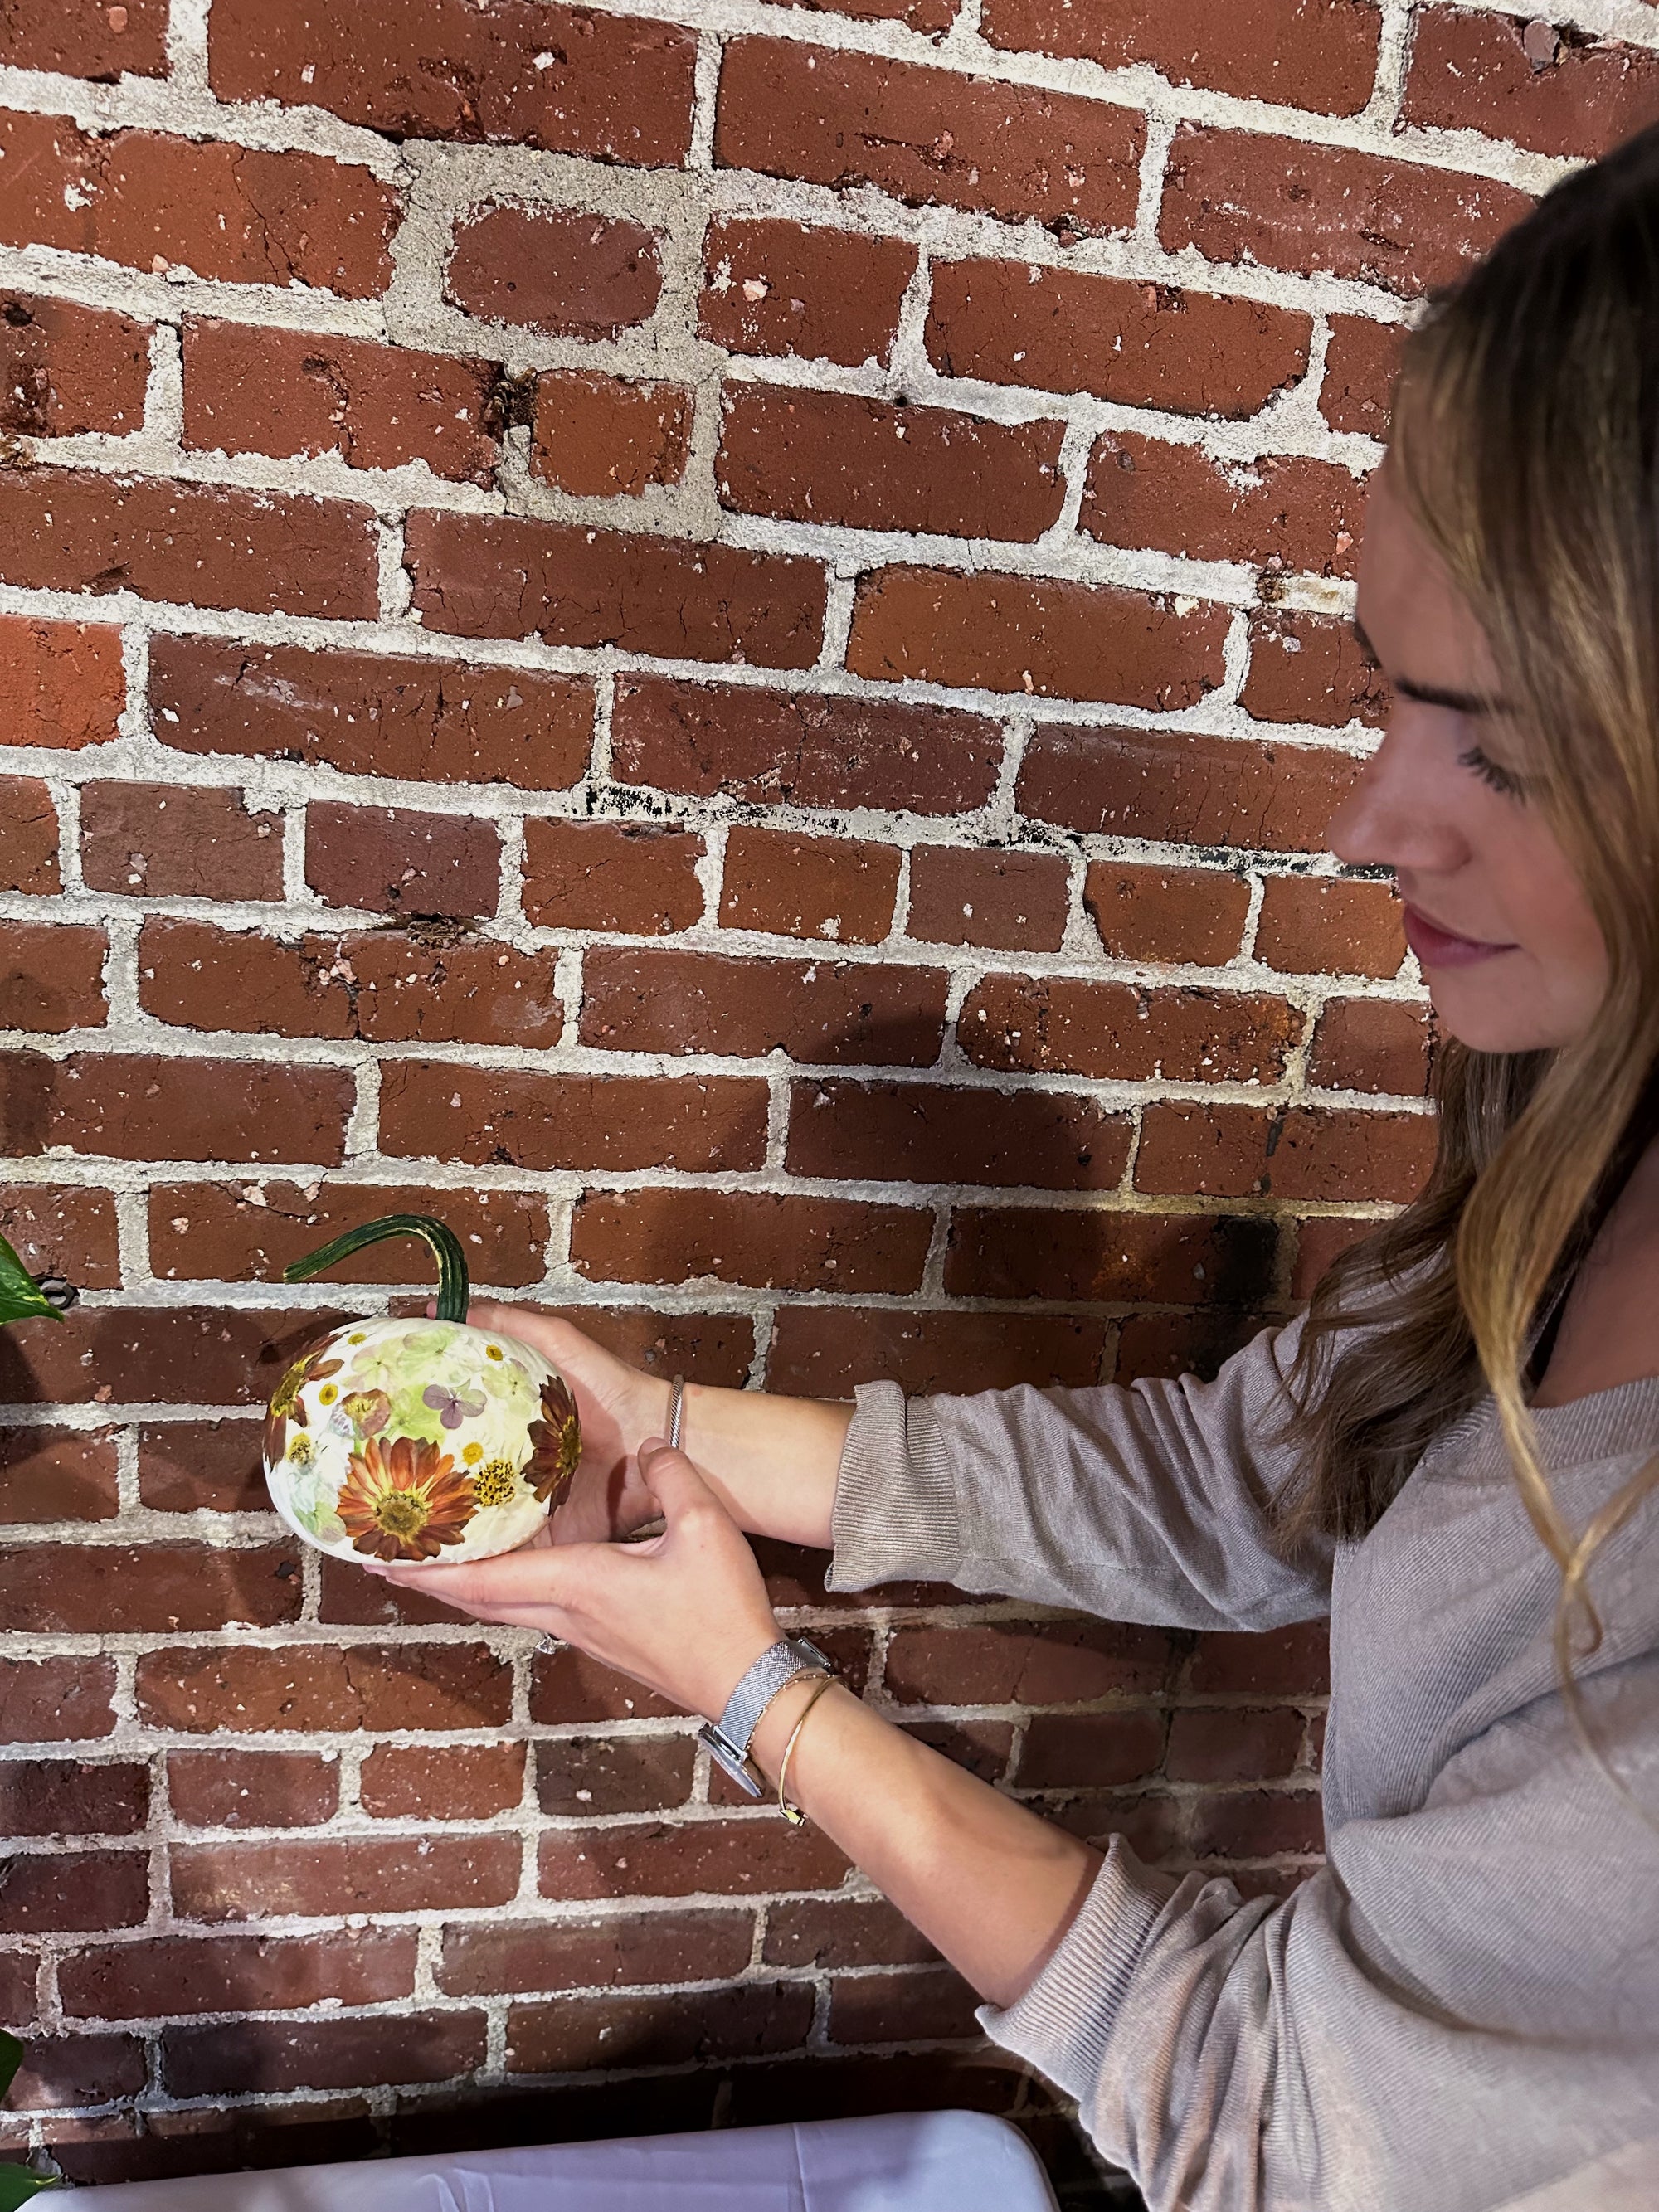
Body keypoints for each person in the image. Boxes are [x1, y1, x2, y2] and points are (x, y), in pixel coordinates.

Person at [367, 123, 1659, 2212]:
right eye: (1379, 691)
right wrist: (666, 1416)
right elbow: (1247, 1478)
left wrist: (748, 1689)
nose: (1366, 820)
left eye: (1493, 747)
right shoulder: (1583, 1123)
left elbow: (1272, 2124)